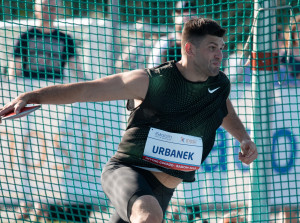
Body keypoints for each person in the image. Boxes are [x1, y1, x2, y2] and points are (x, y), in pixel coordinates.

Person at [0, 18, 258, 223]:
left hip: (164, 188)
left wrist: (244, 137)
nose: (219, 54)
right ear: (189, 48)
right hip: (128, 171)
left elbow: (224, 110)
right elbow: (85, 90)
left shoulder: (219, 84)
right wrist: (35, 95)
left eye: (221, 48)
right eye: (212, 47)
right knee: (148, 217)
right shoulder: (151, 81)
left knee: (148, 215)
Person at [7, 0, 83, 81]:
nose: (49, 12)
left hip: (57, 87)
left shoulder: (66, 39)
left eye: (53, 8)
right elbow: (14, 71)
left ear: (59, 10)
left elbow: (78, 71)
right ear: (36, 9)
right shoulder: (25, 37)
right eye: (45, 8)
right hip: (30, 85)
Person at [147, 1, 198, 68]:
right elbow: (152, 71)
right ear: (174, 16)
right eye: (181, 13)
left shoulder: (201, 43)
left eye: (190, 12)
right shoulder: (164, 43)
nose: (185, 16)